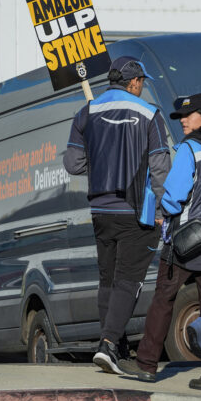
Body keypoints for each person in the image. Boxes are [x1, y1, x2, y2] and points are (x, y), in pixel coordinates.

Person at [118, 94, 201, 393]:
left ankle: (146, 364)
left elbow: (173, 198)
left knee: (164, 299)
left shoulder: (189, 149)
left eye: (189, 115)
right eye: (180, 117)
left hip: (186, 238)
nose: (183, 120)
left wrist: (163, 214)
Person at [63, 56, 170, 374]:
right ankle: (108, 344)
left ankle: (116, 345)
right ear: (134, 82)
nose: (143, 87)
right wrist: (165, 211)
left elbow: (72, 164)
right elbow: (160, 168)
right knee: (129, 280)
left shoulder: (87, 111)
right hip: (137, 209)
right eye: (142, 82)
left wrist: (99, 161)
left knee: (107, 278)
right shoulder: (150, 114)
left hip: (100, 209)